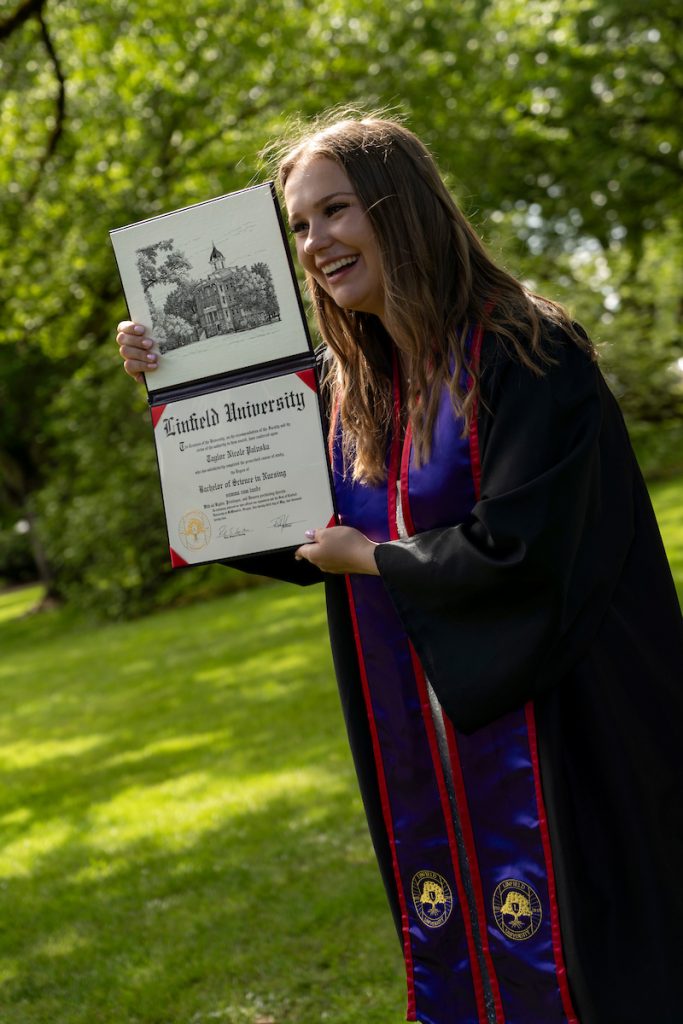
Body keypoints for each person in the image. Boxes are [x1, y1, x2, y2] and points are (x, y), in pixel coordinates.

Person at [116, 114, 683, 1024]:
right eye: (299, 226)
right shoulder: (354, 388)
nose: (314, 244)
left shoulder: (524, 351)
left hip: (566, 731)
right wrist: (174, 386)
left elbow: (530, 554)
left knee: (590, 967)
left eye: (334, 211)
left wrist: (375, 559)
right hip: (420, 737)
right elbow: (273, 521)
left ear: (400, 206)